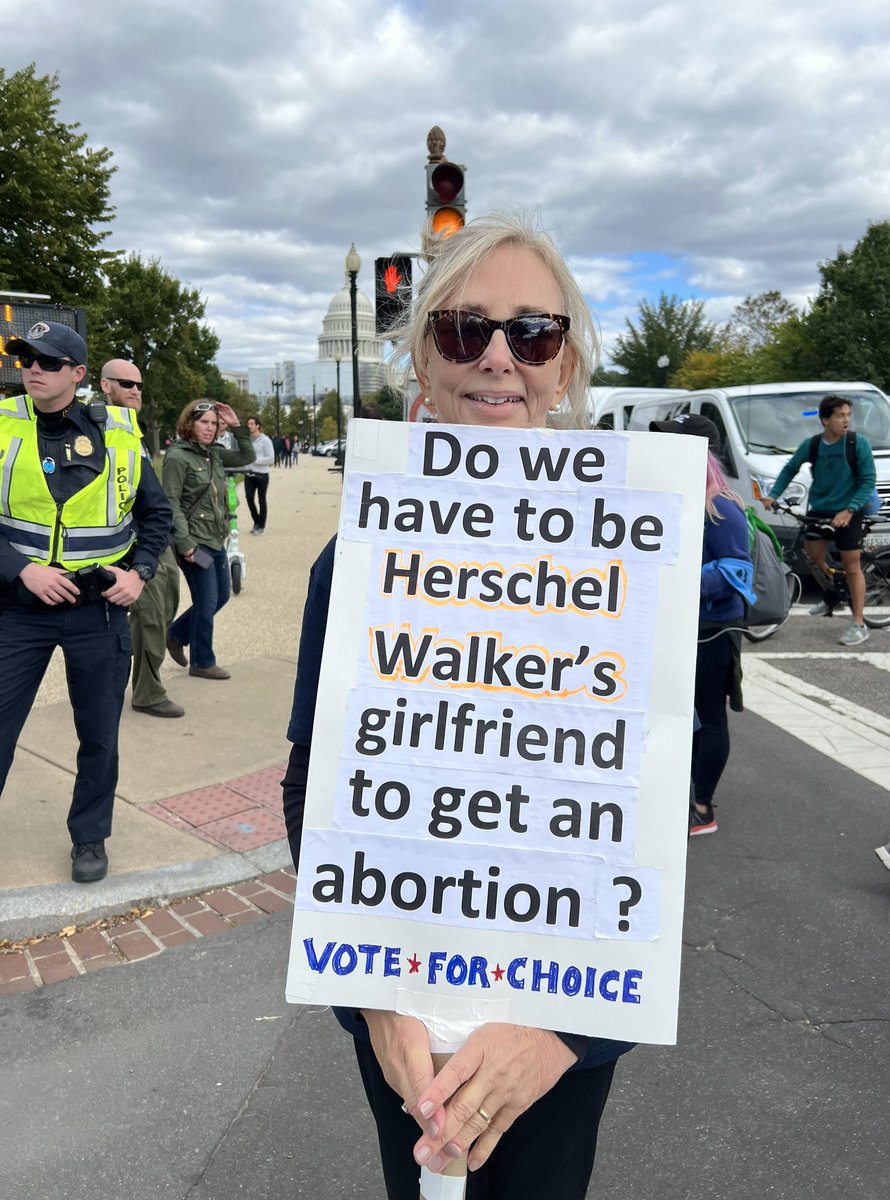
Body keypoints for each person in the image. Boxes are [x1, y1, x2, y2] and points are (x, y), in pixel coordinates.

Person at [282, 215, 635, 1200]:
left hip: (559, 1026)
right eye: (463, 328)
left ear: (565, 367)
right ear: (424, 365)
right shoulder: (356, 559)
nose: (497, 356)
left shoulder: (632, 555)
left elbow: (649, 820)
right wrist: (372, 1003)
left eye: (534, 333)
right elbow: (315, 788)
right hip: (404, 1014)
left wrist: (566, 1032)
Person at [0, 324, 172, 882]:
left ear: (77, 374)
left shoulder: (118, 431)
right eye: (27, 358)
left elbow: (156, 515)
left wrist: (140, 574)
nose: (33, 368)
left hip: (97, 610)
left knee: (99, 735)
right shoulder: (3, 423)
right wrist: (22, 569)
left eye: (48, 361)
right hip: (19, 609)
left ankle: (90, 836)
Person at [650, 415, 752, 837]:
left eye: (675, 443)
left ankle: (702, 807)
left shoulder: (721, 506)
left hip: (713, 629)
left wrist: (676, 577)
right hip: (681, 626)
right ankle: (680, 794)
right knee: (680, 716)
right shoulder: (680, 497)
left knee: (708, 718)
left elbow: (737, 573)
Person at [100, 359, 184, 719]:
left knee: (165, 611)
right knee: (148, 619)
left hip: (156, 541)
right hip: (131, 545)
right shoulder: (96, 427)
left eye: (139, 385)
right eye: (126, 383)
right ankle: (148, 693)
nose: (135, 390)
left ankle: (134, 677)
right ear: (106, 386)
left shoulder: (133, 430)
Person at [762, 394, 876, 646]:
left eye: (848, 415)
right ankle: (832, 592)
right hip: (821, 510)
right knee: (813, 556)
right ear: (825, 420)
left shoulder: (857, 444)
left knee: (852, 567)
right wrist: (773, 495)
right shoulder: (813, 445)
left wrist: (849, 510)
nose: (846, 420)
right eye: (840, 415)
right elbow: (790, 469)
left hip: (849, 511)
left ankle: (859, 624)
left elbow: (868, 481)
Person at [162, 400, 254, 680]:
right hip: (194, 542)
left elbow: (246, 457)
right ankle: (202, 661)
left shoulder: (213, 454)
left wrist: (236, 426)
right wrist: (186, 543)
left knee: (221, 596)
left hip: (215, 539)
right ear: (189, 423)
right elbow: (171, 503)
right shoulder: (178, 457)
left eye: (214, 423)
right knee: (206, 600)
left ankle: (176, 634)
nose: (210, 428)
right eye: (204, 422)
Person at [244, 416, 275, 535]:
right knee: (249, 499)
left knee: (261, 500)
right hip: (249, 474)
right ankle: (256, 521)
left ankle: (261, 526)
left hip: (261, 475)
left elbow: (271, 459)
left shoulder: (265, 440)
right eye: (248, 424)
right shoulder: (247, 440)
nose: (249, 426)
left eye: (252, 424)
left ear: (257, 426)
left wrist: (255, 460)